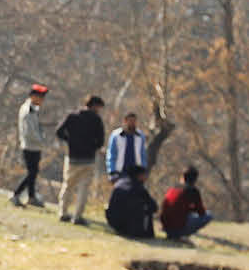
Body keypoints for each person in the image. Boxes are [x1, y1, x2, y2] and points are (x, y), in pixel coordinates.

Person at [53, 94, 107, 224]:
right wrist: (92, 146)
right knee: (84, 188)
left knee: (68, 185)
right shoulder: (97, 120)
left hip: (72, 157)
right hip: (88, 159)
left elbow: (59, 131)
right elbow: (100, 142)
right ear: (95, 106)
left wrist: (70, 141)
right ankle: (77, 216)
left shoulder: (72, 116)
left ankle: (63, 212)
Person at [9, 84, 49, 208]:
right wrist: (41, 141)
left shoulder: (33, 109)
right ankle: (16, 194)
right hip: (30, 146)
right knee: (31, 172)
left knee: (33, 172)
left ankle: (31, 197)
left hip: (35, 146)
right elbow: (29, 132)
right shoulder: (27, 110)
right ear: (33, 96)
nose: (42, 101)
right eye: (40, 97)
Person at [105, 163, 158, 240]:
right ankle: (145, 233)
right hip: (130, 227)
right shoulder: (138, 188)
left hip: (114, 223)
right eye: (143, 175)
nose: (145, 177)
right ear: (139, 175)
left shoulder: (119, 183)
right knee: (147, 209)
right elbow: (154, 207)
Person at [160, 165, 211, 241]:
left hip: (166, 227)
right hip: (178, 227)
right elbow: (201, 212)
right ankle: (181, 234)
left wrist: (189, 209)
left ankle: (174, 234)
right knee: (209, 215)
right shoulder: (193, 190)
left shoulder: (174, 188)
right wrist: (192, 209)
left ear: (183, 177)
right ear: (195, 179)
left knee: (190, 215)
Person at [104, 111, 150, 184]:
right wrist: (112, 172)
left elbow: (143, 154)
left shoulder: (140, 136)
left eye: (134, 121)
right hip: (120, 172)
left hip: (136, 172)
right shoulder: (116, 136)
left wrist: (143, 170)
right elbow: (112, 155)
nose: (132, 123)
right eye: (130, 121)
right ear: (125, 121)